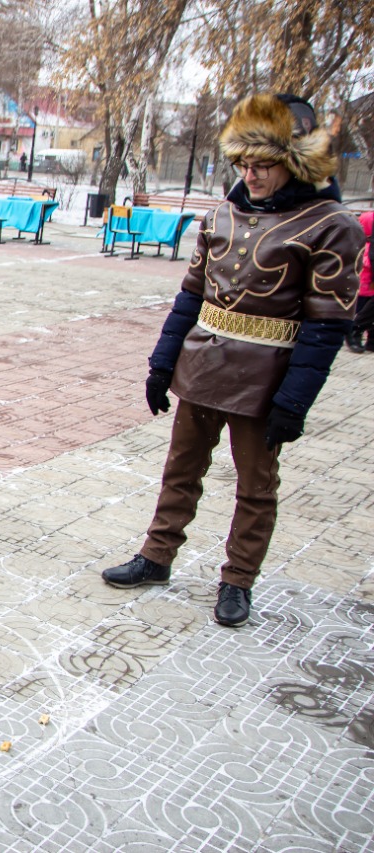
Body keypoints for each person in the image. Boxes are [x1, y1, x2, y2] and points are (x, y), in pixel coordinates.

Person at [100, 93, 361, 628]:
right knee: (181, 469)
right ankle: (156, 557)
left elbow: (326, 325)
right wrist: (161, 364)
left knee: (256, 486)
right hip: (202, 365)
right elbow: (190, 296)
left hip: (265, 379)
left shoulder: (330, 225)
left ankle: (238, 580)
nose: (252, 174)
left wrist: (294, 401)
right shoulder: (223, 212)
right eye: (244, 163)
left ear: (293, 161)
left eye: (263, 164)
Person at [347, 209, 373, 353]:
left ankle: (370, 340)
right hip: (364, 286)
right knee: (360, 311)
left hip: (366, 286)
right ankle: (353, 331)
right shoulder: (365, 246)